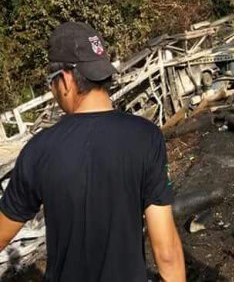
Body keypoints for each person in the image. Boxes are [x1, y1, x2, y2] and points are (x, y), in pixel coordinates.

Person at [0, 22, 186, 281]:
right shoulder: (146, 137)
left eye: (50, 83)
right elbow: (166, 253)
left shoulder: (39, 150)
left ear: (64, 80)